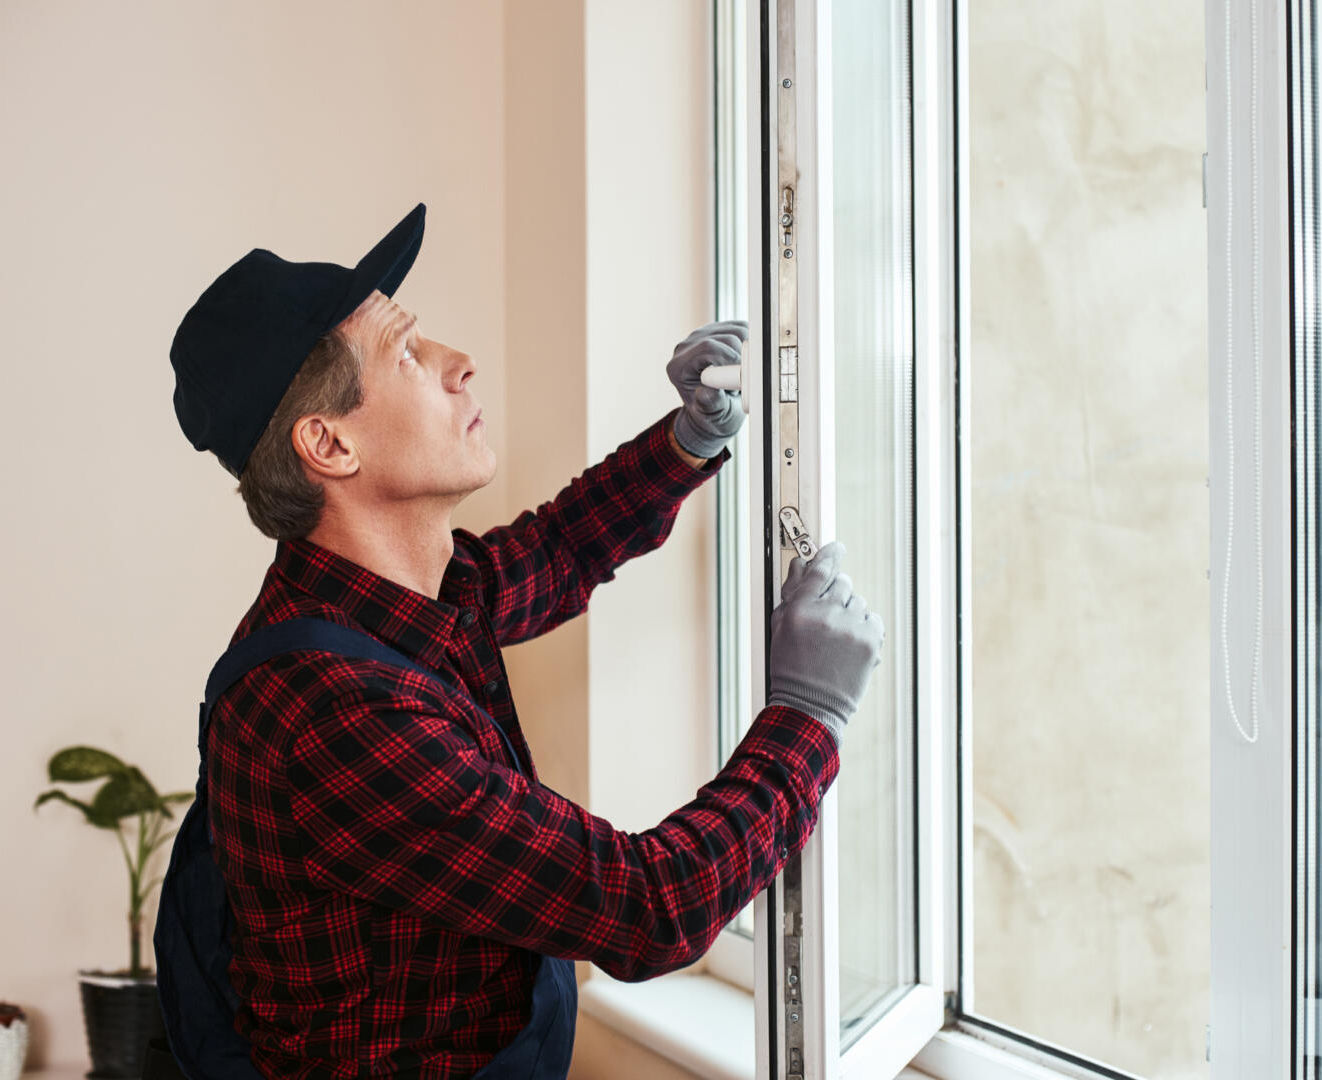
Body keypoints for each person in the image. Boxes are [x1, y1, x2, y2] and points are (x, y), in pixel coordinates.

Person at [165, 202, 885, 1079]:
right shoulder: (333, 711)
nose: (459, 364)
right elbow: (647, 908)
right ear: (329, 443)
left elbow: (555, 550)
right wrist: (806, 718)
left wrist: (689, 439)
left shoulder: (387, 599)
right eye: (405, 353)